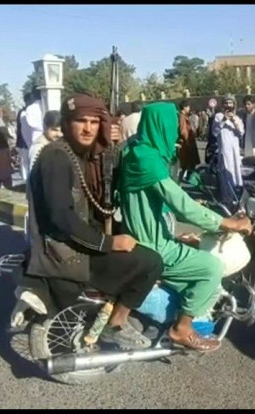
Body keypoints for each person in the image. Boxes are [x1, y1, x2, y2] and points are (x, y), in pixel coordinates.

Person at [26, 94, 164, 349]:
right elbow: (61, 217)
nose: (88, 128)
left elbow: (101, 186)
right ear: (68, 123)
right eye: (81, 121)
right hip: (65, 253)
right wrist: (109, 243)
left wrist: (112, 148)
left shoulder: (75, 154)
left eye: (94, 121)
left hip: (73, 243)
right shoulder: (56, 157)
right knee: (152, 262)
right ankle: (115, 325)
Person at [119, 102, 253, 352]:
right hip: (152, 243)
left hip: (145, 233)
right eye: (174, 125)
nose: (178, 132)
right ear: (162, 125)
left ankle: (168, 321)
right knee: (212, 267)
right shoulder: (147, 159)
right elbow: (182, 206)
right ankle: (181, 329)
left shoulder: (135, 151)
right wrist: (227, 223)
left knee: (192, 258)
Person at [212, 95, 244, 205]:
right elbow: (214, 132)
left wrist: (235, 122)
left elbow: (241, 133)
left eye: (231, 103)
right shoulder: (218, 116)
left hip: (235, 151)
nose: (228, 105)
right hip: (224, 150)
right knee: (225, 174)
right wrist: (224, 120)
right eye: (226, 103)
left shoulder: (237, 118)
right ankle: (227, 199)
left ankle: (237, 197)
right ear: (223, 105)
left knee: (235, 173)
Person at [19, 90, 44, 181]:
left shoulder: (30, 109)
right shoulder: (31, 109)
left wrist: (29, 143)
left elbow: (25, 130)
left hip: (34, 140)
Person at [177, 100, 200, 182]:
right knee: (186, 164)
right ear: (185, 107)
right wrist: (187, 141)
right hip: (187, 143)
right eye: (188, 107)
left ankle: (183, 178)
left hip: (187, 142)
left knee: (187, 164)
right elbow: (183, 131)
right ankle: (181, 180)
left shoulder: (183, 116)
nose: (189, 108)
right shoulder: (182, 117)